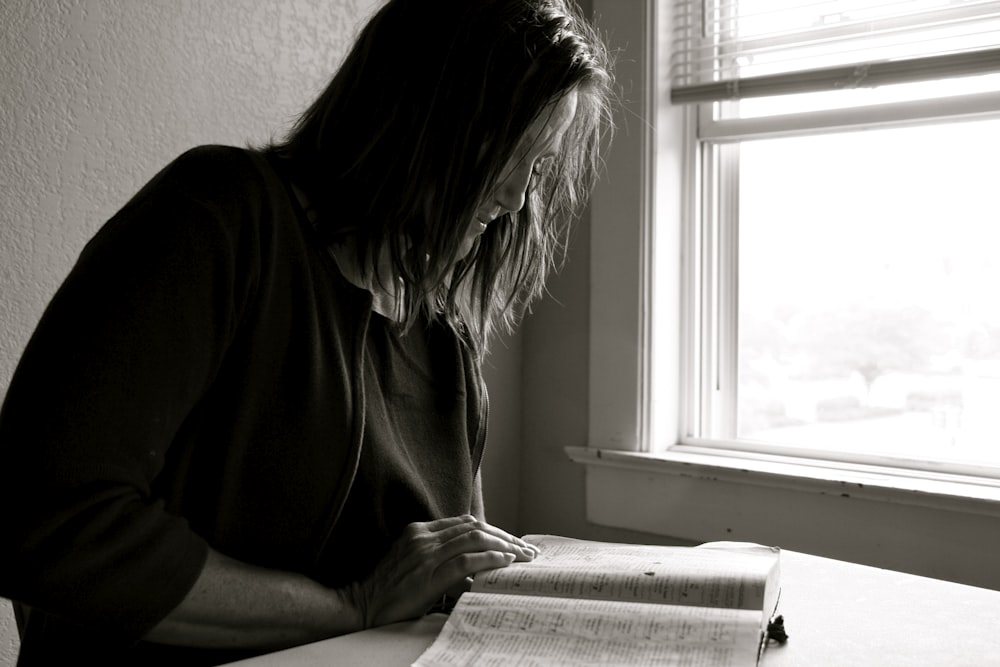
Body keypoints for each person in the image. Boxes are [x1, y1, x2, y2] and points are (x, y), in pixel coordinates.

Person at [0, 0, 613, 664]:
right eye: (512, 150)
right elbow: (42, 519)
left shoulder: (447, 349)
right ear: (430, 117)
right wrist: (352, 607)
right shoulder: (220, 218)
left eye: (543, 167)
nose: (519, 196)